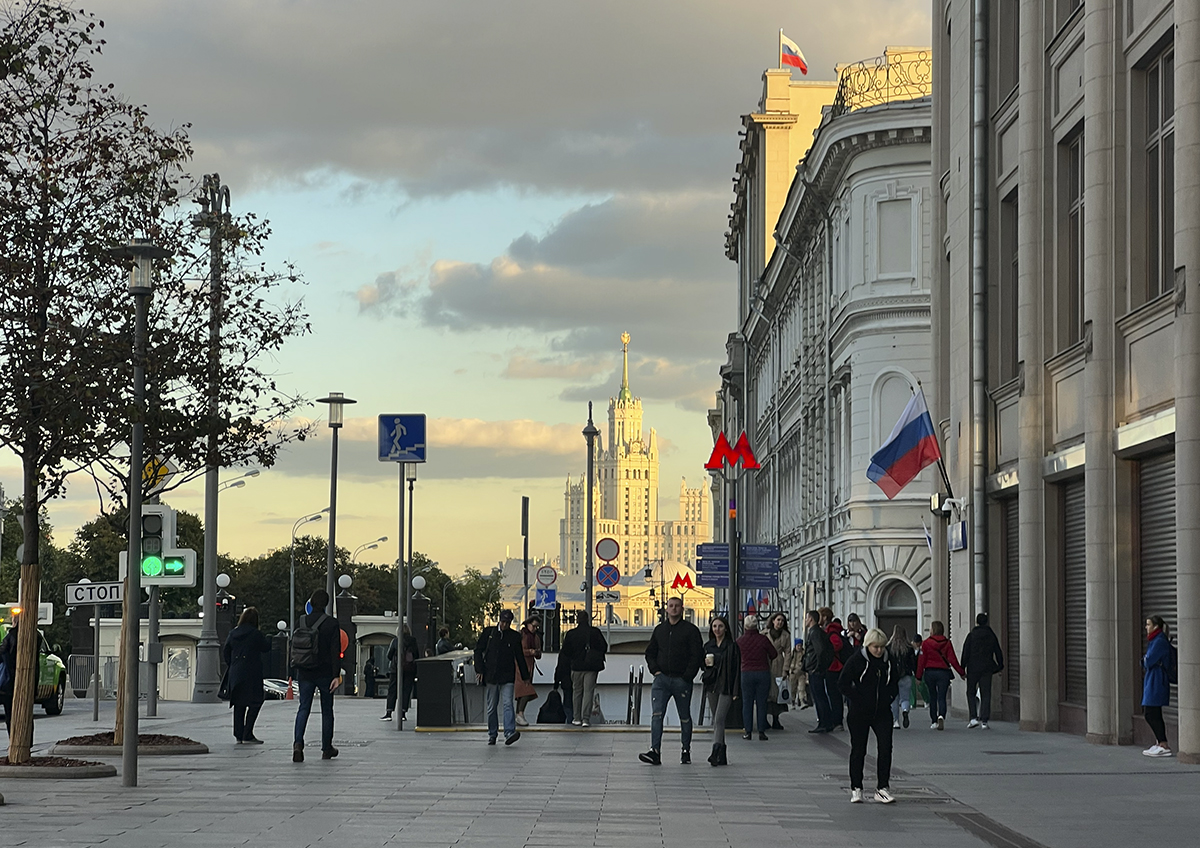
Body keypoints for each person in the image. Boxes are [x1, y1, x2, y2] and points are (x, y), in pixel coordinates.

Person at [639, 597, 705, 765]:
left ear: (682, 609)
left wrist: (687, 676)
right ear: (666, 609)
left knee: (684, 716)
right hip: (661, 680)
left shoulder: (690, 630)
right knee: (656, 715)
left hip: (681, 680)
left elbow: (696, 655)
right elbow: (650, 652)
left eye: (677, 606)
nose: (673, 609)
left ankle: (685, 750)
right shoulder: (660, 630)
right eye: (671, 606)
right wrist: (655, 671)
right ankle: (654, 751)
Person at [838, 628, 899, 804]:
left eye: (881, 647)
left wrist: (888, 697)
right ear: (868, 645)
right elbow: (842, 683)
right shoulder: (857, 659)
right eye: (875, 647)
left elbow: (895, 681)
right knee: (859, 750)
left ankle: (882, 788)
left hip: (882, 712)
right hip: (859, 712)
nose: (878, 651)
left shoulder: (889, 661)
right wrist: (857, 698)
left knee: (886, 748)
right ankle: (856, 788)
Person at [292, 589, 343, 762]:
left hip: (304, 671)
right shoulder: (331, 623)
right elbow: (335, 650)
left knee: (303, 708)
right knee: (327, 711)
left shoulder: (301, 621)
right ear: (326, 604)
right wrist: (336, 675)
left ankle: (298, 744)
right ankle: (326, 748)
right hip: (325, 673)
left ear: (311, 603)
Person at [474, 609, 530, 745]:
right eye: (503, 622)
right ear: (499, 620)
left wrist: (525, 676)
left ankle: (509, 732)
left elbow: (519, 657)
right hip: (491, 675)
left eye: (507, 622)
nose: (504, 625)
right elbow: (478, 650)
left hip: (507, 676)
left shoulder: (514, 637)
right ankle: (492, 733)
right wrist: (479, 670)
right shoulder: (489, 633)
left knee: (507, 704)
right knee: (492, 706)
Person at [223, 606, 271, 744]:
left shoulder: (233, 633)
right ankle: (247, 733)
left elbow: (226, 651)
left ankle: (238, 734)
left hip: (236, 672)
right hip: (252, 672)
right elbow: (266, 647)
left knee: (239, 704)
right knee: (256, 701)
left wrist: (232, 664)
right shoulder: (255, 634)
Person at [701, 615, 740, 766]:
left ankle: (715, 751)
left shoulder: (732, 646)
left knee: (719, 719)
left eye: (720, 626)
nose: (717, 629)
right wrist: (704, 663)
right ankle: (722, 755)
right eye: (715, 626)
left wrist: (736, 691)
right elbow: (702, 666)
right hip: (712, 684)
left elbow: (736, 669)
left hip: (727, 685)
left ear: (726, 628)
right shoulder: (708, 646)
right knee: (717, 720)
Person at [559, 610, 607, 727]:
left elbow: (565, 651)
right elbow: (604, 647)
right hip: (591, 667)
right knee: (588, 692)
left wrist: (575, 656)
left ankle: (576, 718)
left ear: (577, 620)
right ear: (588, 619)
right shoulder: (595, 632)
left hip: (576, 667)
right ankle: (585, 719)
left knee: (577, 692)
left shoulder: (571, 634)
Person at [916, 620, 964, 731]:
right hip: (943, 673)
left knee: (933, 696)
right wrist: (961, 672)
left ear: (933, 630)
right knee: (942, 697)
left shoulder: (926, 643)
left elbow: (921, 661)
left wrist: (918, 676)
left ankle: (933, 721)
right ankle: (941, 715)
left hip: (930, 672)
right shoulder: (947, 642)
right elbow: (953, 659)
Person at [736, 615, 777, 741]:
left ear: (745, 626)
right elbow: (774, 654)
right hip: (762, 673)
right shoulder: (763, 639)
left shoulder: (739, 641)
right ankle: (761, 731)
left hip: (746, 673)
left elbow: (735, 658)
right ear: (757, 626)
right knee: (762, 703)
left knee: (747, 703)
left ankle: (748, 732)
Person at [961, 612, 1004, 729]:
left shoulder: (971, 635)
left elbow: (966, 652)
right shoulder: (991, 635)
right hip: (986, 668)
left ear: (976, 622)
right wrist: (1000, 666)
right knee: (986, 693)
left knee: (970, 692)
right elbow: (997, 651)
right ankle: (984, 721)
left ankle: (973, 718)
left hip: (973, 668)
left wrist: (962, 668)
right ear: (986, 622)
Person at [1141, 615, 1174, 757]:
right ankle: (1159, 742)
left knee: (1150, 712)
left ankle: (1163, 744)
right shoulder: (1155, 640)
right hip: (1153, 679)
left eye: (1148, 624)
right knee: (1153, 712)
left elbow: (1148, 661)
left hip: (1157, 681)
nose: (1146, 627)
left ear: (1156, 626)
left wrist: (1145, 660)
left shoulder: (1159, 641)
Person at [803, 610, 834, 733]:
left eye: (806, 618)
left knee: (819, 696)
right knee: (820, 695)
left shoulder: (814, 632)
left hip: (815, 670)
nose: (805, 621)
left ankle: (824, 723)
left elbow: (819, 651)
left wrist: (818, 666)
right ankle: (826, 722)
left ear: (811, 619)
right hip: (817, 669)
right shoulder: (818, 631)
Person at [381, 624, 419, 721]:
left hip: (396, 669)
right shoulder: (413, 641)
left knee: (393, 690)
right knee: (406, 691)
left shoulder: (395, 641)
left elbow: (389, 656)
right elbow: (416, 655)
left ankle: (389, 712)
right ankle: (402, 713)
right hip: (410, 670)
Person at [821, 608, 847, 731]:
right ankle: (835, 719)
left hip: (834, 667)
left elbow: (837, 645)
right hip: (833, 666)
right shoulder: (830, 630)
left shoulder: (831, 631)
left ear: (825, 617)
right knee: (833, 694)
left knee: (834, 695)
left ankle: (837, 721)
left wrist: (827, 653)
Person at [514, 616, 542, 726]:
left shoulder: (536, 638)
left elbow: (539, 654)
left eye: (537, 627)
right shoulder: (522, 635)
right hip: (520, 666)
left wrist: (537, 652)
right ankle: (520, 714)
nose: (535, 628)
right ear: (528, 624)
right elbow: (519, 651)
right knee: (526, 690)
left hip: (530, 666)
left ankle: (518, 714)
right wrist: (531, 651)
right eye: (533, 626)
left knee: (522, 692)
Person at [765, 612, 791, 730]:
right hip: (766, 663)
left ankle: (776, 719)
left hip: (779, 663)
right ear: (773, 621)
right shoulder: (764, 633)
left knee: (777, 693)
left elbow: (788, 653)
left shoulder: (786, 635)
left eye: (782, 621)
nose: (780, 622)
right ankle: (764, 719)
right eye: (778, 620)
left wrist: (786, 669)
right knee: (766, 692)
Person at [888, 625, 916, 729]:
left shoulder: (889, 647)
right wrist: (916, 674)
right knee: (905, 698)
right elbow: (913, 663)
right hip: (906, 676)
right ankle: (905, 710)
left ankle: (896, 721)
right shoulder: (909, 648)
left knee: (894, 700)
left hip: (893, 677)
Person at [0, 616, 18, 734]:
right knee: (25, 713)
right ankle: (27, 742)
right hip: (27, 683)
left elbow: (1, 653)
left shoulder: (10, 637)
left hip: (8, 683)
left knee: (10, 714)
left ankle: (13, 740)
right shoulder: (35, 636)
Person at [785, 637, 809, 710]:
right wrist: (787, 670)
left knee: (801, 688)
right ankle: (792, 701)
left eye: (800, 645)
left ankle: (802, 701)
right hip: (793, 673)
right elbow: (788, 661)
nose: (799, 647)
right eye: (798, 645)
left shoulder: (804, 654)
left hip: (801, 673)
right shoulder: (792, 654)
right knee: (793, 688)